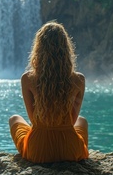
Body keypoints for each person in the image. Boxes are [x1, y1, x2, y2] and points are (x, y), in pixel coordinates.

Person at [9, 22, 89, 163]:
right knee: (82, 121)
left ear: (38, 49)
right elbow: (73, 120)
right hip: (69, 151)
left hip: (38, 151)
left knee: (14, 119)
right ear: (66, 48)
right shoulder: (79, 79)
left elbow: (33, 119)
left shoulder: (28, 79)